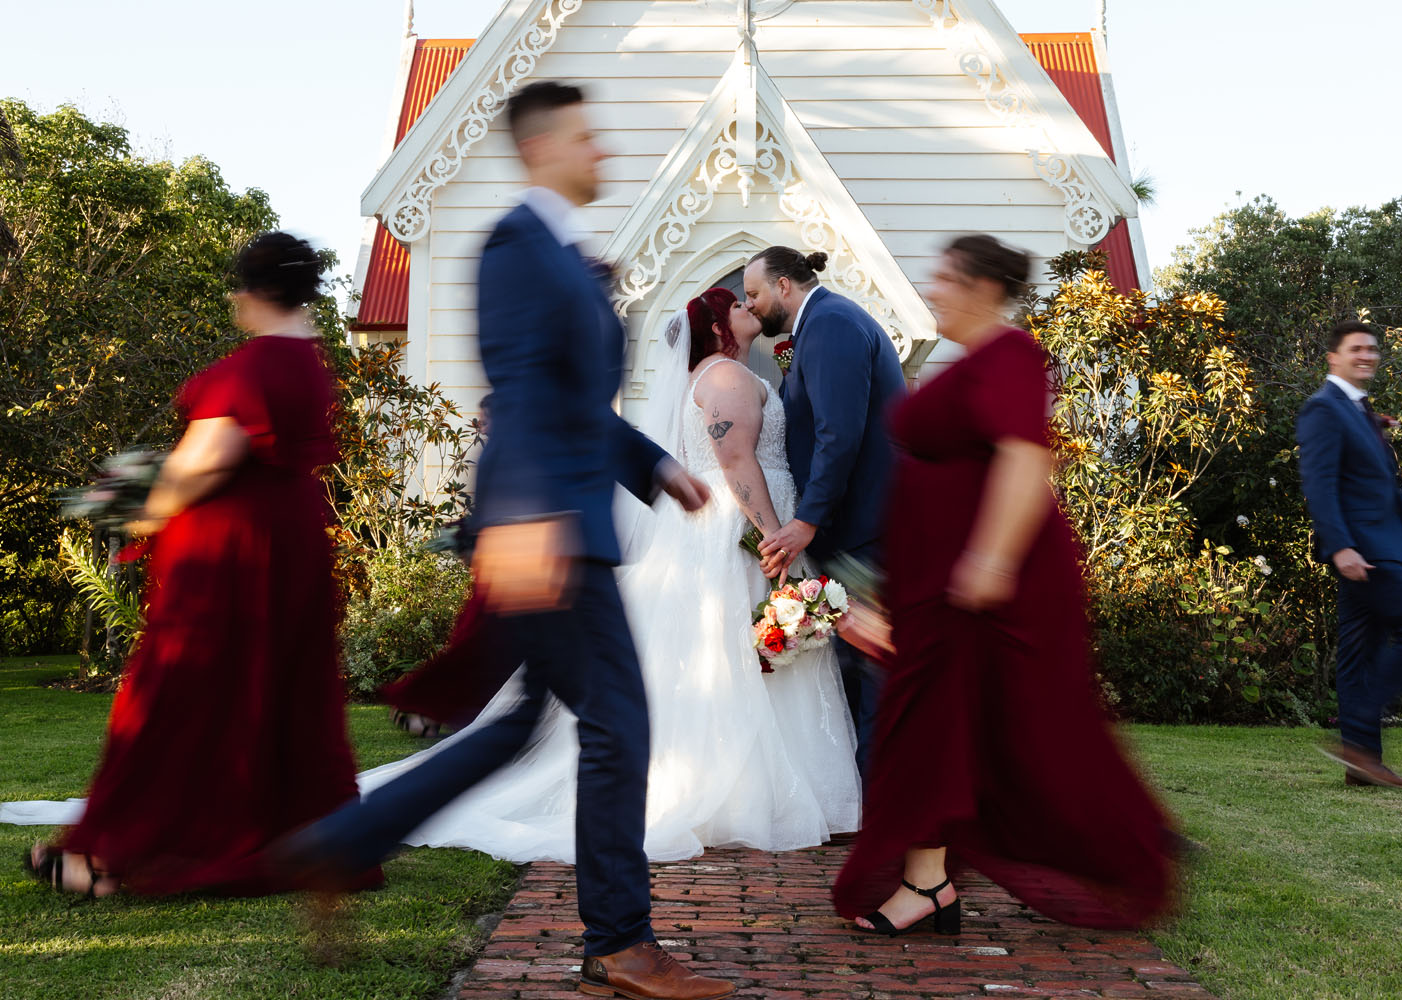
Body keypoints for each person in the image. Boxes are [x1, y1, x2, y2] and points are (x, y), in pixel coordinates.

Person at [271, 82, 733, 1000]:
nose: (600, 150)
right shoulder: (518, 248)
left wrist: (652, 467)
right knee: (617, 726)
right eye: (585, 137)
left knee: (521, 725)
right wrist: (533, 525)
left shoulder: (564, 252)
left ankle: (337, 847)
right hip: (547, 529)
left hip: (553, 520)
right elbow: (521, 393)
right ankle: (621, 940)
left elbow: (573, 401)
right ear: (543, 145)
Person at [353, 287, 860, 861]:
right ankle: (740, 798)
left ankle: (771, 792)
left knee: (739, 653)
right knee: (733, 653)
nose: (749, 307)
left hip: (723, 525)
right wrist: (774, 536)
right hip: (737, 528)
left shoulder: (721, 375)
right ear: (719, 326)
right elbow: (736, 459)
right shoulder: (726, 379)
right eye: (738, 305)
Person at [13, 232, 380, 898]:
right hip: (291, 550)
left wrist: (140, 501)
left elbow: (205, 463)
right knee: (280, 694)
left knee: (181, 699)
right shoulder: (311, 362)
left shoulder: (253, 368)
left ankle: (115, 855)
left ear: (251, 290)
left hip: (232, 563)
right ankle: (315, 844)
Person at [833, 235, 1176, 936]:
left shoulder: (1011, 355)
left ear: (982, 287)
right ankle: (928, 885)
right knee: (939, 731)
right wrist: (884, 592)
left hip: (987, 587)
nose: (932, 289)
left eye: (944, 278)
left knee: (986, 730)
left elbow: (1025, 460)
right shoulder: (971, 364)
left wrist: (987, 564)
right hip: (935, 587)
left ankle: (952, 882)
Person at [743, 247, 906, 778]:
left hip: (868, 527)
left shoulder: (832, 324)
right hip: (853, 526)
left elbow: (840, 435)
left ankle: (880, 800)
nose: (751, 305)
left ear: (785, 286)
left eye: (754, 294)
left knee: (874, 667)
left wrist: (807, 519)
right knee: (855, 665)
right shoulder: (820, 325)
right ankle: (864, 794)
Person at [1297, 320, 1402, 789]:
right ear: (1333, 357)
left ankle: (1362, 764)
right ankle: (1359, 743)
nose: (1367, 356)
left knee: (1359, 657)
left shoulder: (1361, 412)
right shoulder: (1323, 409)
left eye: (1372, 349)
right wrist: (1340, 547)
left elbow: (1391, 493)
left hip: (1381, 549)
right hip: (1365, 552)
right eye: (1356, 349)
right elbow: (1319, 485)